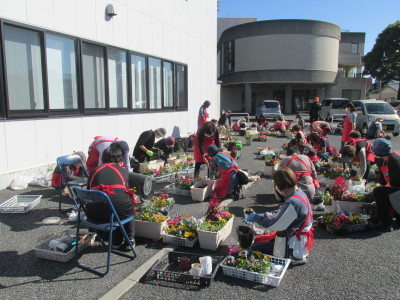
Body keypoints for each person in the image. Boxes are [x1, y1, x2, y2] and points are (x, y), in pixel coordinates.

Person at [246, 168, 314, 264]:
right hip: (297, 236)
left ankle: (293, 257)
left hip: (293, 244)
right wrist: (264, 215)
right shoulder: (299, 193)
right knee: (259, 240)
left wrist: (257, 218)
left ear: (283, 187)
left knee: (254, 248)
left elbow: (276, 226)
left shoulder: (293, 202)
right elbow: (280, 212)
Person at [86, 145, 137, 249]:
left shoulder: (94, 171)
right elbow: (124, 191)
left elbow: (88, 193)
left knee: (111, 206)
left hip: (96, 214)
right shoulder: (122, 171)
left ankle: (114, 241)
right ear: (120, 159)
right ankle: (129, 239)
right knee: (125, 207)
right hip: (119, 210)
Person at [368, 138, 400, 232]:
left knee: (378, 191)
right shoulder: (381, 162)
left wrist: (384, 186)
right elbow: (382, 181)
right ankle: (386, 218)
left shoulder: (395, 159)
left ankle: (386, 222)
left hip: (397, 187)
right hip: (394, 188)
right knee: (380, 191)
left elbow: (395, 182)